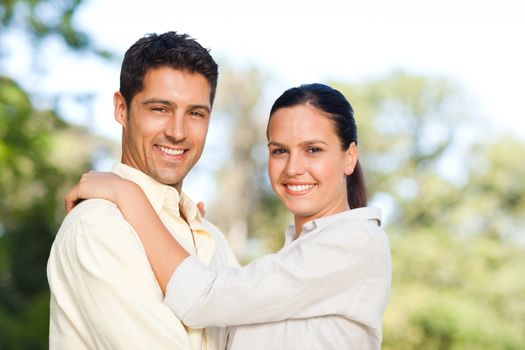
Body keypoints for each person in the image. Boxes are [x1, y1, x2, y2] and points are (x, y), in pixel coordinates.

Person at [67, 83, 392, 349]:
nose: (293, 168)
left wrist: (128, 194)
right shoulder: (299, 256)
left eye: (313, 150)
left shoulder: (355, 241)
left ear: (349, 158)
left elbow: (204, 298)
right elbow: (224, 322)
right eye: (279, 150)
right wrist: (192, 233)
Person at [47, 31, 240, 350]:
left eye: (195, 113)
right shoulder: (98, 227)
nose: (177, 132)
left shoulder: (213, 240)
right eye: (160, 109)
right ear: (121, 109)